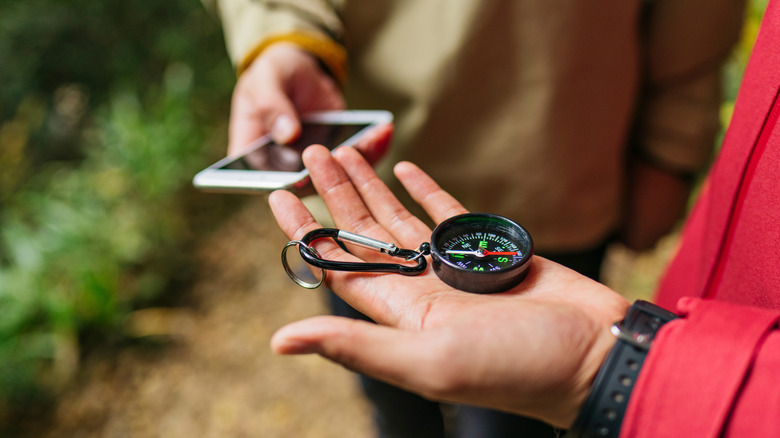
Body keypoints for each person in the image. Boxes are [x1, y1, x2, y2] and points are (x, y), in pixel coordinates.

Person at [203, 1, 745, 436]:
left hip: (560, 180)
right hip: (368, 202)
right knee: (395, 409)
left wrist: (669, 149)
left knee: (517, 421)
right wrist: (285, 35)